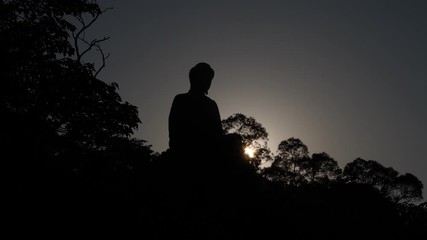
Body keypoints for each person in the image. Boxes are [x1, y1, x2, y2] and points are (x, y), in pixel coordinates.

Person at [168, 62, 223, 157]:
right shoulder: (181, 99)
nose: (207, 81)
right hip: (184, 150)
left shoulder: (211, 104)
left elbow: (217, 133)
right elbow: (174, 128)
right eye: (203, 77)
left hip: (208, 152)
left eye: (209, 79)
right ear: (193, 78)